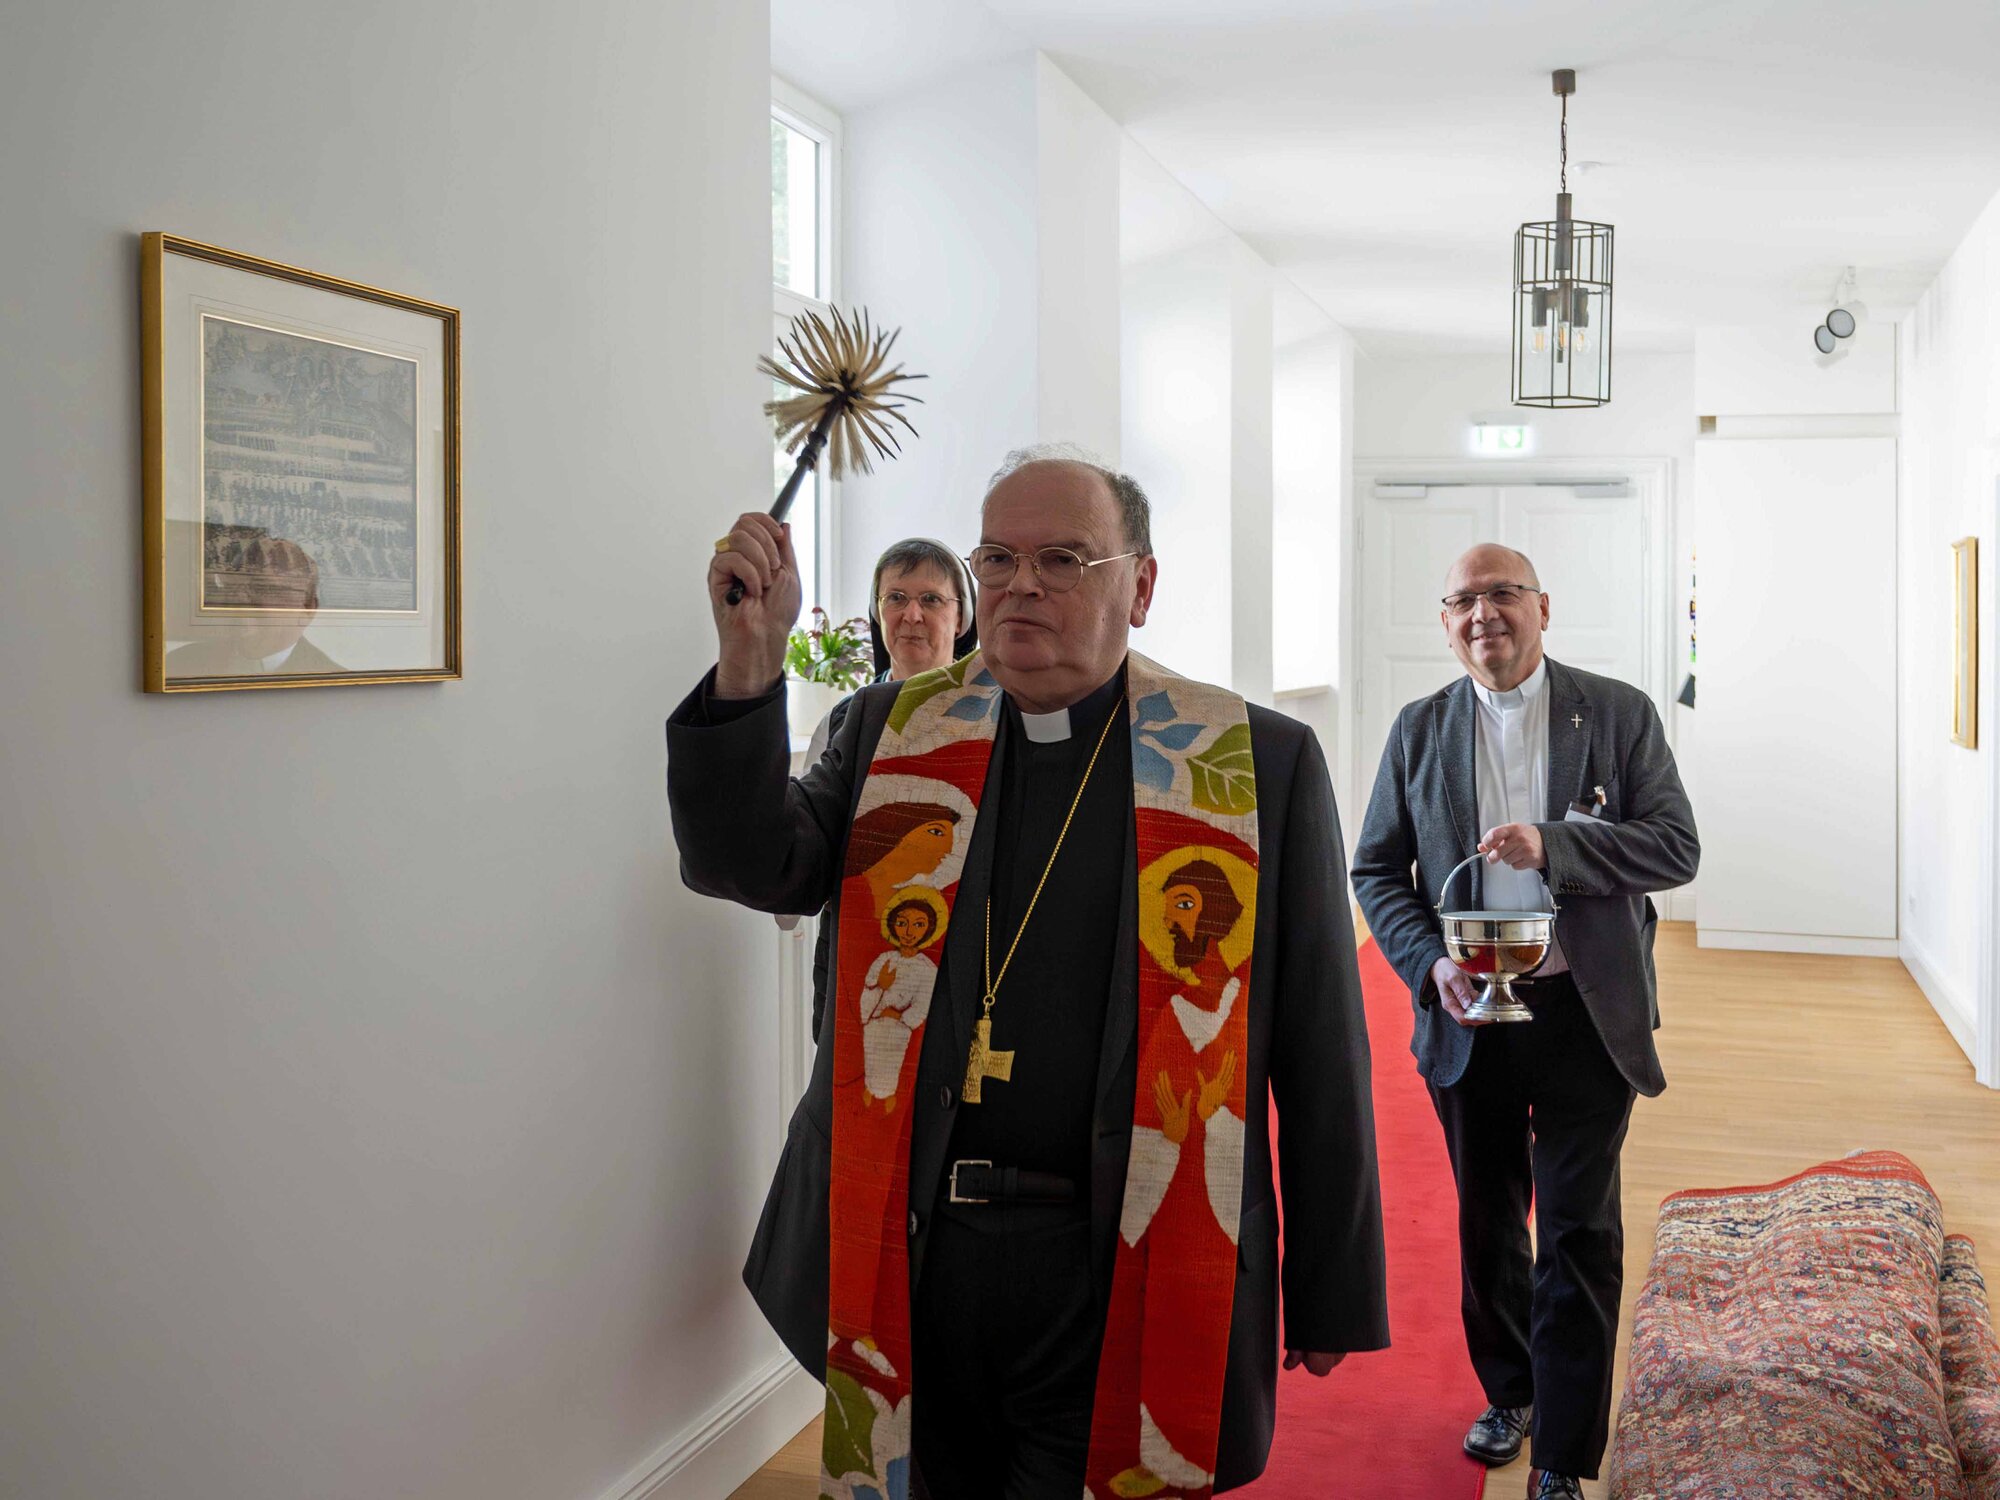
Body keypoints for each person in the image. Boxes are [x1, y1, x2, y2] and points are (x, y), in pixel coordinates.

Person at [667, 445, 1387, 1497]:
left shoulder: (1251, 763)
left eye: (1063, 559)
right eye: (997, 559)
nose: (1021, 587)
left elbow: (1321, 1042)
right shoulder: (890, 730)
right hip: (908, 1246)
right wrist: (747, 670)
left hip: (1115, 1263)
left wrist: (1332, 1284)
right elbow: (751, 866)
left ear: (1139, 586)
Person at [1350, 544, 1699, 1500]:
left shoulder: (1617, 711)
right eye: (1462, 599)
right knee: (1487, 1221)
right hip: (1470, 1018)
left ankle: (1564, 1456)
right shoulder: (1419, 730)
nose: (1482, 614)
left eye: (1502, 594)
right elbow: (1376, 871)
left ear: (1542, 607)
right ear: (1445, 620)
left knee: (1580, 1228)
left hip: (1586, 1011)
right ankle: (1511, 1393)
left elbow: (1677, 846)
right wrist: (1428, 968)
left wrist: (1558, 843)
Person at [790, 538, 979, 1040]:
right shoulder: (841, 722)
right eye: (895, 598)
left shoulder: (997, 720)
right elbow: (804, 854)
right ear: (878, 614)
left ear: (962, 619)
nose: (911, 614)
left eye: (931, 599)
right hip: (858, 965)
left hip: (962, 966)